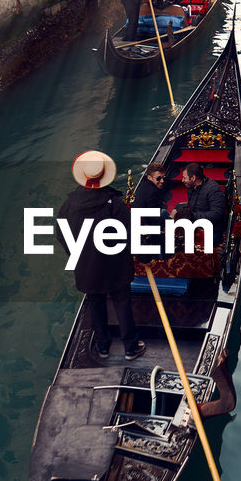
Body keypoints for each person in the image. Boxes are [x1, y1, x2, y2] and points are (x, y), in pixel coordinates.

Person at [58, 150, 146, 362]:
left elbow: (62, 234)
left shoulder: (69, 205)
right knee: (122, 302)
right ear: (104, 176)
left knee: (95, 304)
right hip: (115, 264)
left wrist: (77, 254)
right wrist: (141, 256)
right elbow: (131, 233)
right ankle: (130, 348)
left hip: (87, 267)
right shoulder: (113, 203)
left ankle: (103, 347)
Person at [132, 162, 172, 260]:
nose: (162, 181)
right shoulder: (153, 193)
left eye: (163, 178)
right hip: (145, 229)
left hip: (141, 222)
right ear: (150, 178)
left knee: (164, 212)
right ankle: (164, 259)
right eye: (158, 178)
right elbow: (153, 220)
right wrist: (170, 222)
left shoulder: (144, 186)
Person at [180, 161, 227, 245]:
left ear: (193, 178)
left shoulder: (213, 189)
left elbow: (217, 214)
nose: (182, 180)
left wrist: (192, 216)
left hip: (212, 229)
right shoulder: (191, 186)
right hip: (195, 223)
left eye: (184, 177)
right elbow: (193, 205)